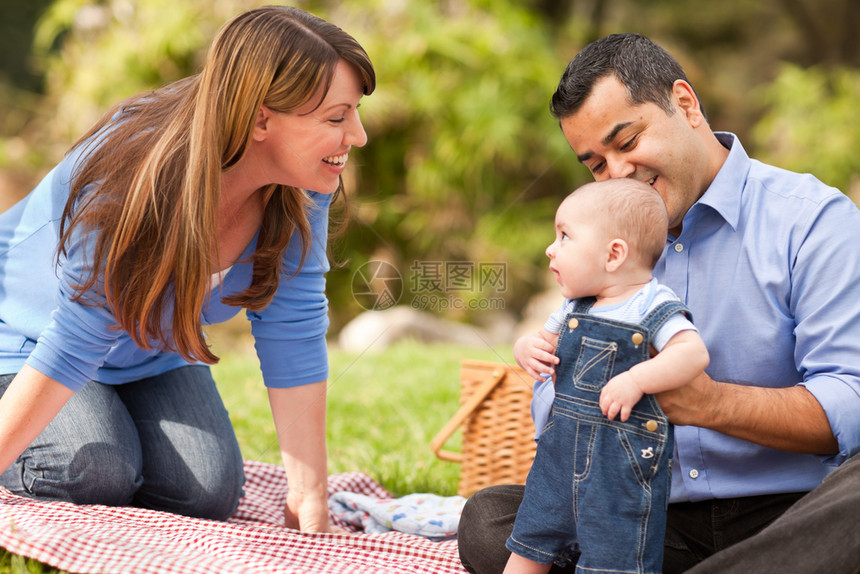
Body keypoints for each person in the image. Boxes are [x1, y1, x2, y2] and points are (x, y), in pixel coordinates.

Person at [458, 32, 860, 573]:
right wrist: (563, 383)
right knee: (491, 520)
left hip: (789, 515)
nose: (617, 173)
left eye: (627, 142)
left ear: (686, 104)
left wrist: (708, 403)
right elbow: (556, 406)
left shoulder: (812, 222)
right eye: (595, 165)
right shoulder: (603, 246)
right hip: (643, 515)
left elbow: (851, 401)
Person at [0, 5, 375, 532]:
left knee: (204, 491)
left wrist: (309, 498)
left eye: (354, 112)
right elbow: (76, 339)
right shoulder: (132, 170)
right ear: (260, 118)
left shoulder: (304, 183)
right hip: (23, 336)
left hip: (150, 352)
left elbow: (292, 328)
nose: (357, 136)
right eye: (336, 118)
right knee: (89, 473)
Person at [505, 179, 709, 574]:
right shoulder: (573, 307)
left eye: (564, 236)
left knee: (613, 550)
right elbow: (541, 340)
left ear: (614, 254)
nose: (551, 247)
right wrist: (525, 348)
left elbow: (692, 353)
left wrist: (637, 380)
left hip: (619, 463)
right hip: (558, 453)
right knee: (532, 534)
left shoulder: (653, 303)